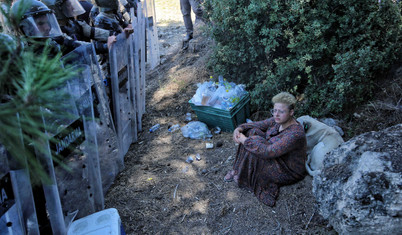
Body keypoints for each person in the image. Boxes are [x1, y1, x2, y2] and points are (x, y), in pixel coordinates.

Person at [226, 92, 307, 207]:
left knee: (254, 146)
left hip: (287, 169)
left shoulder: (295, 134)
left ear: (291, 112)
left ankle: (242, 177)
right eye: (274, 110)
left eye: (281, 111)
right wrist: (239, 129)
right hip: (277, 155)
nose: (276, 114)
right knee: (251, 132)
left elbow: (268, 152)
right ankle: (237, 169)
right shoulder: (278, 120)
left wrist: (245, 140)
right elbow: (257, 125)